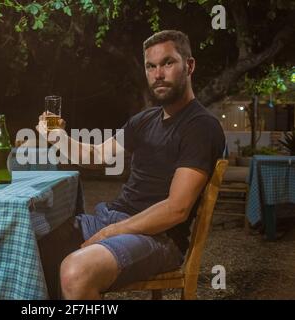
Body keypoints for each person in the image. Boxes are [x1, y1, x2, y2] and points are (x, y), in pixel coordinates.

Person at [37, 30, 226, 300]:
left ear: (190, 65)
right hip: (113, 218)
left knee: (75, 272)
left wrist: (110, 232)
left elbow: (177, 209)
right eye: (151, 66)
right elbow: (97, 155)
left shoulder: (200, 127)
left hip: (159, 237)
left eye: (168, 63)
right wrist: (57, 137)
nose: (158, 73)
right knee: (28, 248)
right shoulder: (145, 120)